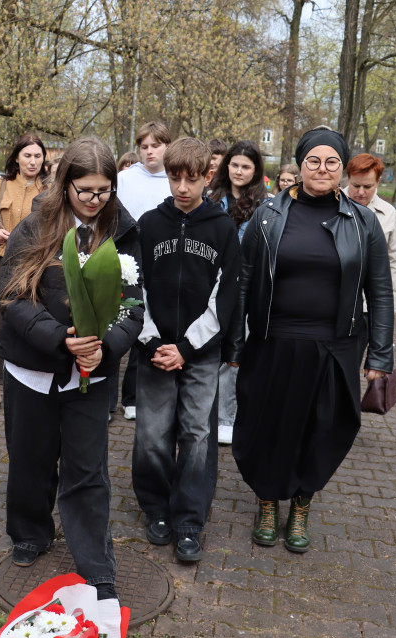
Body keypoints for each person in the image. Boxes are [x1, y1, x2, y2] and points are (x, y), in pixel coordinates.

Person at [232, 127, 394, 553]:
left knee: (323, 428)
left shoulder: (363, 223)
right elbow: (244, 280)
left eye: (331, 163)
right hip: (273, 342)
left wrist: (381, 353)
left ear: (342, 168)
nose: (322, 169)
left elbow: (380, 289)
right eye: (313, 161)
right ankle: (267, 501)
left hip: (335, 346)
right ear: (299, 165)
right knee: (267, 424)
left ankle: (301, 503)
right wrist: (234, 341)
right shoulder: (267, 216)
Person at [0, 136, 143, 602]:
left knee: (86, 467)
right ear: (66, 185)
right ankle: (29, 532)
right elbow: (13, 298)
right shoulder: (35, 226)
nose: (94, 201)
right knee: (30, 458)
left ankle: (94, 558)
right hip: (34, 368)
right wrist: (58, 337)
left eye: (103, 191)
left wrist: (108, 346)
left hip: (93, 374)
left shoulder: (124, 229)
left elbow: (135, 305)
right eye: (85, 191)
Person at [132, 138, 241, 563]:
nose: (181, 187)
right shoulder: (148, 224)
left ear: (207, 177)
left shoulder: (222, 228)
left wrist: (188, 347)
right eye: (174, 177)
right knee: (152, 434)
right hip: (154, 350)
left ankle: (190, 520)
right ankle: (157, 509)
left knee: (198, 435)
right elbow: (133, 288)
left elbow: (226, 297)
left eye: (190, 179)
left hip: (200, 355)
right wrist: (156, 342)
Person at [0, 132, 49, 417]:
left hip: (37, 267)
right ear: (16, 157)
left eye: (38, 155)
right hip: (0, 267)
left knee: (33, 324)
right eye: (27, 155)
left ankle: (29, 384)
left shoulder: (50, 188)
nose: (33, 161)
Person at [210, 140, 268, 445]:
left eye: (246, 166)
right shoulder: (210, 199)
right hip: (210, 287)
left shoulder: (266, 206)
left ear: (256, 170)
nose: (239, 171)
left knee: (235, 356)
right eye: (234, 165)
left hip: (245, 290)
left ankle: (227, 417)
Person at [115, 120, 172, 421]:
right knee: (121, 321)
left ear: (167, 146)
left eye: (156, 145)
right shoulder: (125, 178)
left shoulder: (174, 179)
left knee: (148, 325)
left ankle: (138, 394)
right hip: (127, 259)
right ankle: (116, 397)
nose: (150, 152)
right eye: (144, 147)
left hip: (162, 261)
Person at [346, 153, 396, 311]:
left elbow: (395, 261)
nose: (361, 192)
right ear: (348, 179)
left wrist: (391, 305)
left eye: (368, 187)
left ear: (378, 182)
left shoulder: (388, 213)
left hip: (370, 305)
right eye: (356, 186)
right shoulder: (331, 206)